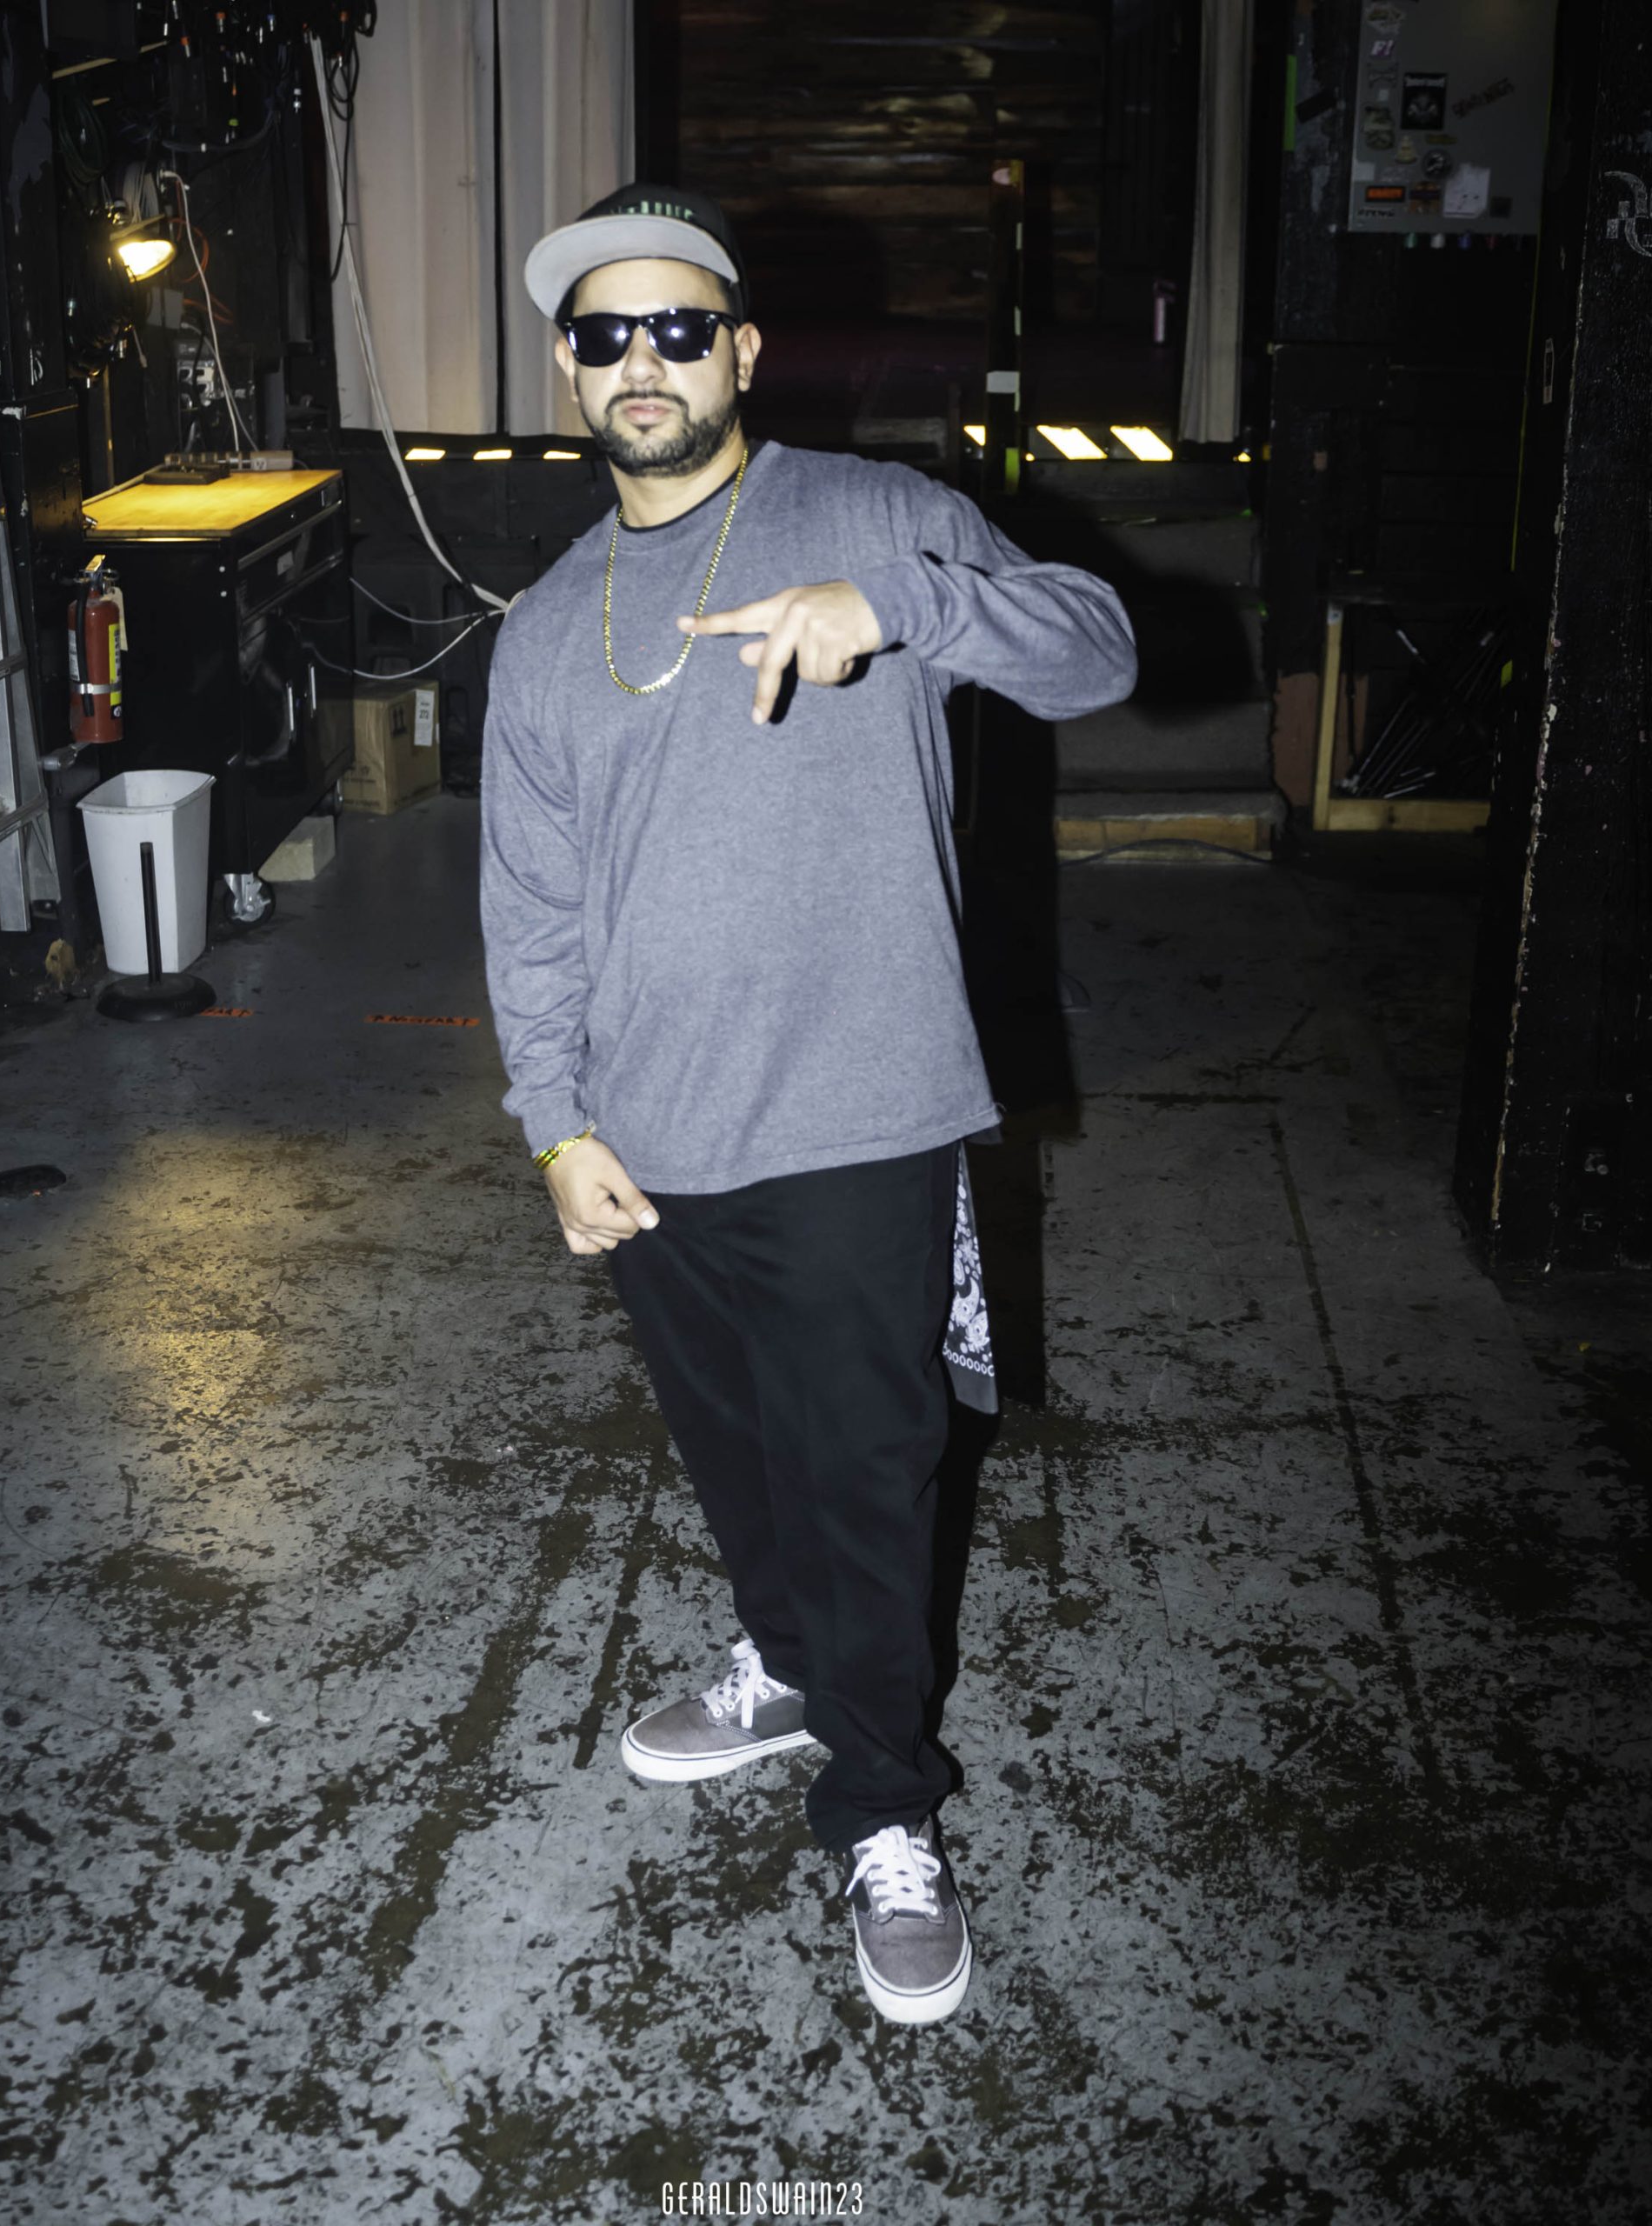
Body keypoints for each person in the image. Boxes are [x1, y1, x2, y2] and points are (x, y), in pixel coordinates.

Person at [480, 183, 1136, 2026]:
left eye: (679, 328)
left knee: (860, 1472)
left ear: (742, 349)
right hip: (649, 1137)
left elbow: (1098, 648)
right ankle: (785, 1663)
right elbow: (529, 906)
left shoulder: (869, 514)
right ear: (567, 367)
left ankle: (884, 1806)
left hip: (860, 1110)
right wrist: (556, 1123)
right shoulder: (545, 624)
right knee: (741, 1453)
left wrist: (899, 608)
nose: (642, 361)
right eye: (604, 335)